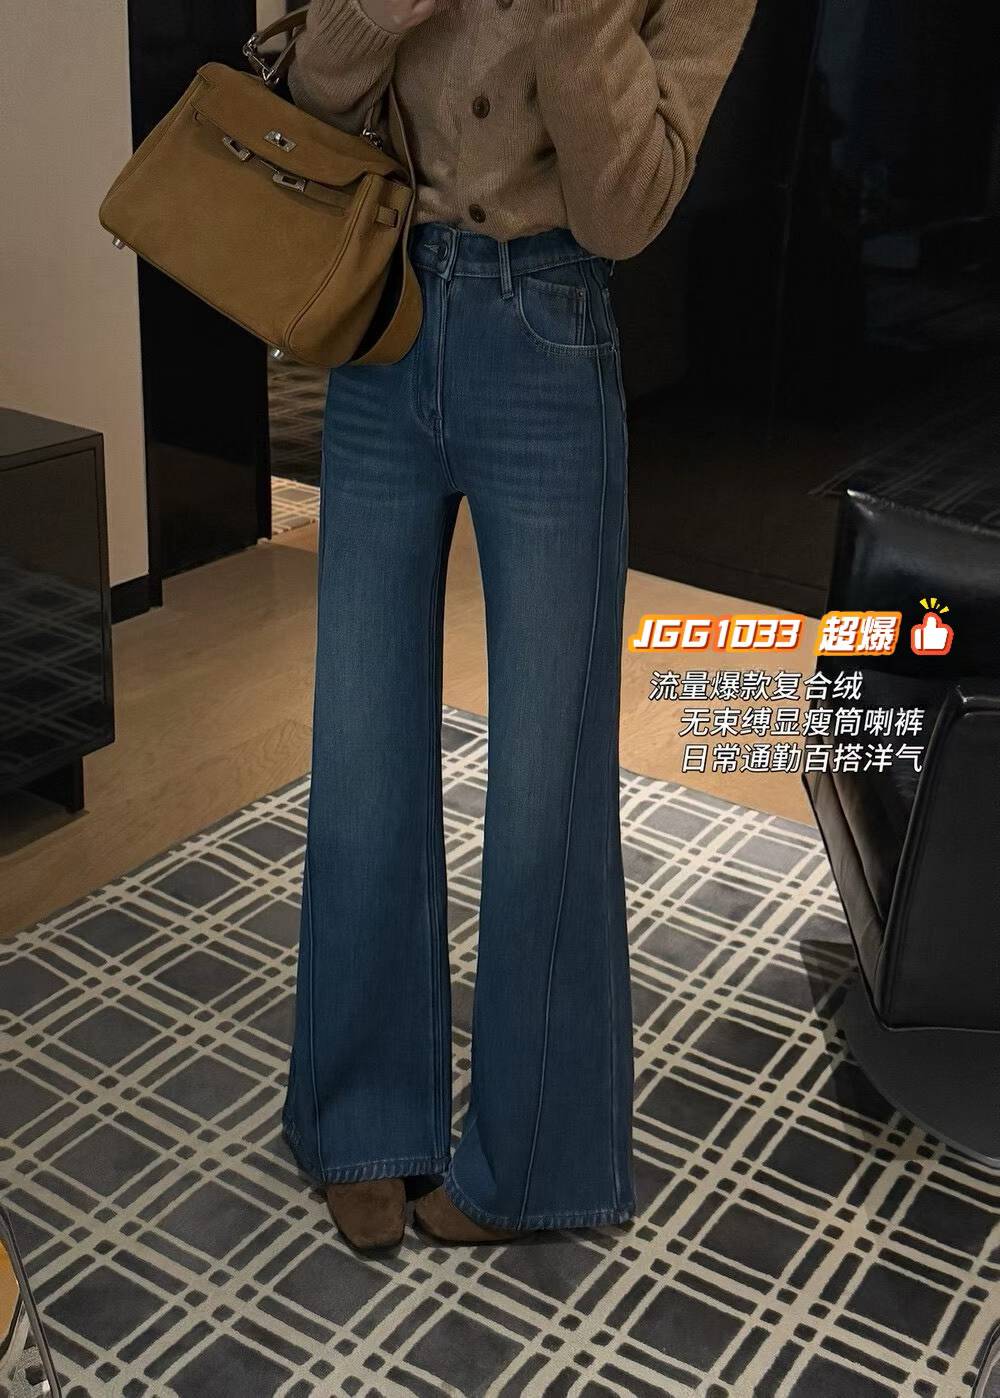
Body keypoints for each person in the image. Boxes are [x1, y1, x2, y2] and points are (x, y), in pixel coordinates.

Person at [280, 0, 758, 1250]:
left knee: (549, 772)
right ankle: (361, 1116)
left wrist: (571, 18)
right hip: (378, 317)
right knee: (361, 747)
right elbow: (308, 91)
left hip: (549, 331)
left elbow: (625, 213)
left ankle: (538, 1156)